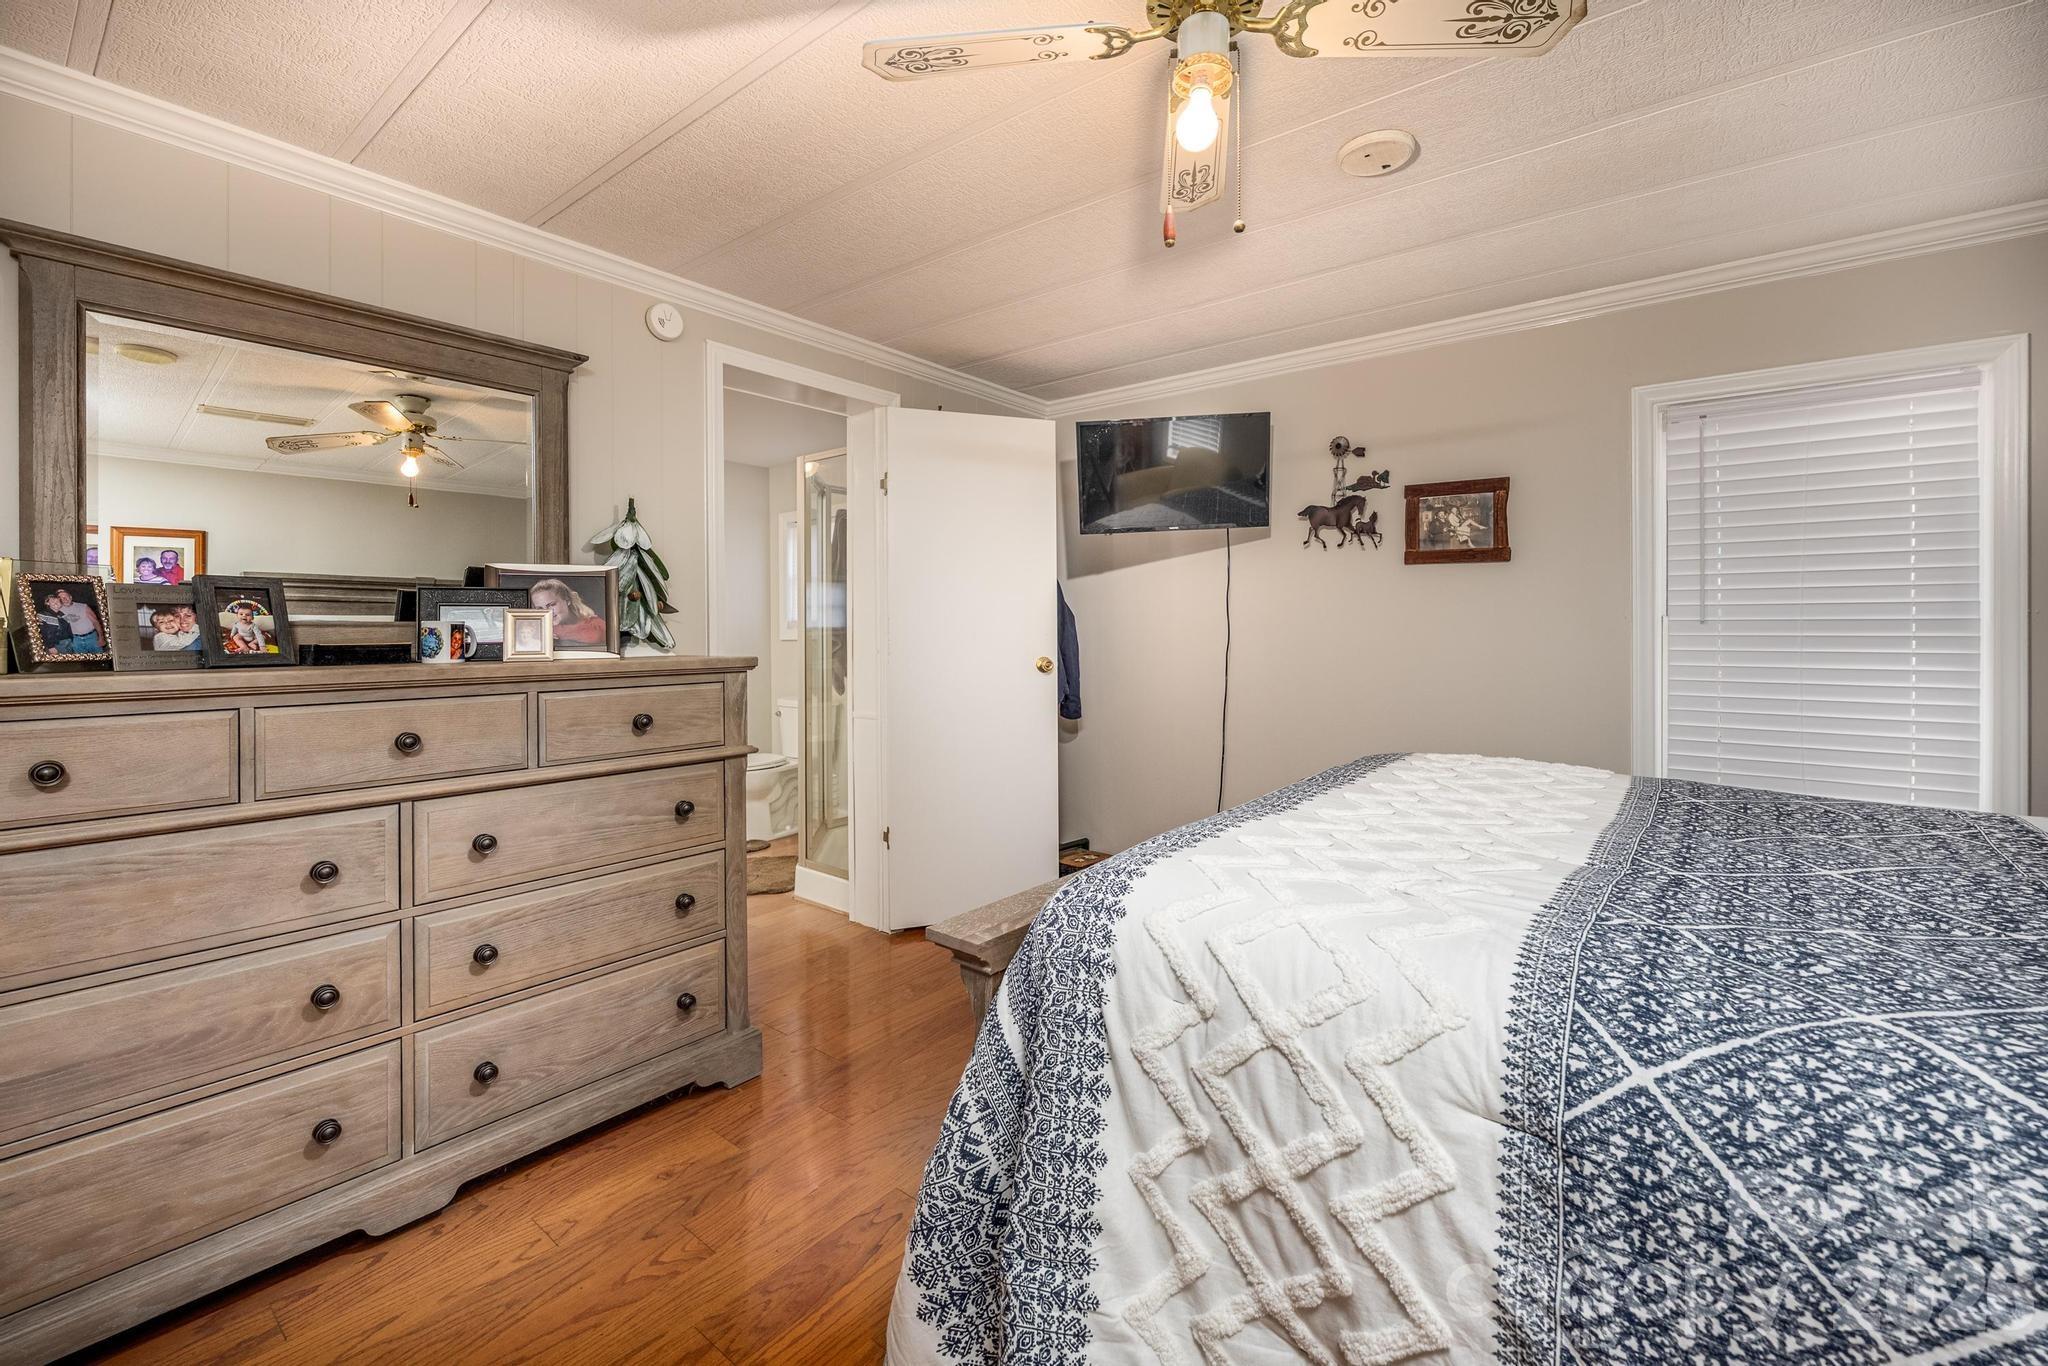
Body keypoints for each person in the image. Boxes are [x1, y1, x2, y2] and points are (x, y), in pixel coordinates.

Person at [527, 578, 607, 647]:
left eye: (551, 605)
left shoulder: (597, 625)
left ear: (567, 600)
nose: (547, 612)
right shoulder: (536, 631)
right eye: (540, 608)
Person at [50, 586, 103, 653]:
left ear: (70, 597)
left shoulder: (83, 606)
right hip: (76, 640)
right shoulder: (59, 610)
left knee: (99, 659)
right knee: (83, 662)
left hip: (92, 637)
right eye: (61, 598)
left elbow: (95, 622)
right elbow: (48, 616)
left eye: (66, 596)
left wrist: (101, 637)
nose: (64, 599)